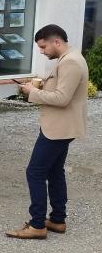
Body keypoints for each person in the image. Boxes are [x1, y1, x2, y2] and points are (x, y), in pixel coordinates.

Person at [7, 25, 90, 239]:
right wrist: (41, 84)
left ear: (56, 42)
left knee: (34, 172)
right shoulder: (69, 57)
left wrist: (34, 92)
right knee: (54, 171)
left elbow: (62, 99)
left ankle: (37, 225)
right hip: (61, 126)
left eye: (43, 47)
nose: (42, 51)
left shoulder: (70, 61)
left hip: (59, 127)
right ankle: (57, 219)